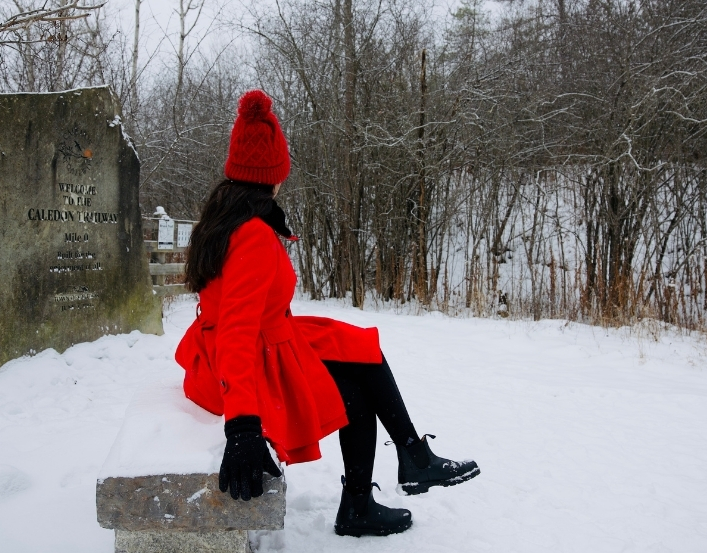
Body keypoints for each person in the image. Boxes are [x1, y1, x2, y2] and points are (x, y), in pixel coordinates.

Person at [175, 89, 479, 537]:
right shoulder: (252, 235)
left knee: (360, 349)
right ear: (272, 176)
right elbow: (236, 331)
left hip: (248, 345)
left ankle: (407, 459)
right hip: (240, 368)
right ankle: (375, 491)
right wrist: (242, 426)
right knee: (354, 390)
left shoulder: (222, 219)